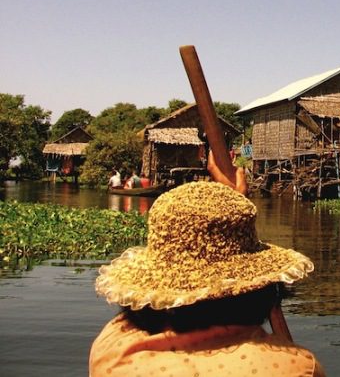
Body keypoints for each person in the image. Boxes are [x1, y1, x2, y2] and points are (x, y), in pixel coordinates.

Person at [89, 152, 325, 376]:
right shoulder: (294, 367)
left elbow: (138, 309)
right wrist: (234, 214)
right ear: (260, 289)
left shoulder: (114, 352)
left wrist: (227, 210)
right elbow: (281, 339)